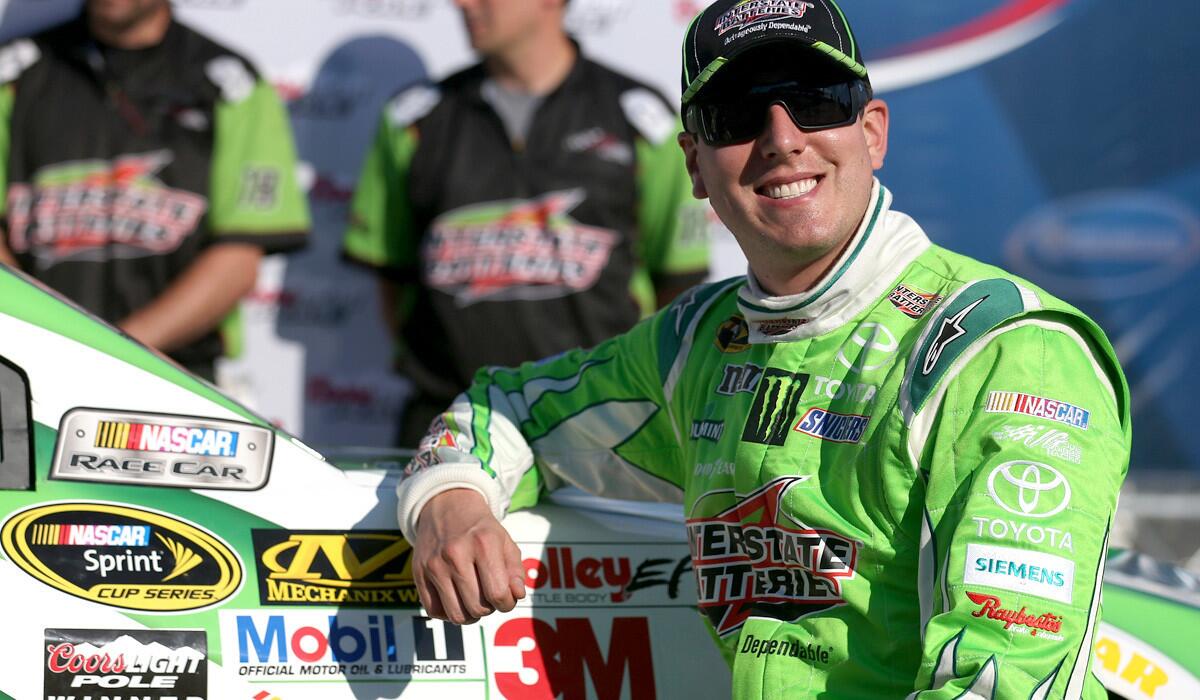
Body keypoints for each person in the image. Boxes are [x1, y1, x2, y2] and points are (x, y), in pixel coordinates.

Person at [395, 0, 1130, 697]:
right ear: (693, 164)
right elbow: (507, 407)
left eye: (815, 100)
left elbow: (1007, 682)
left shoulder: (1004, 350)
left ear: (871, 130)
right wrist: (447, 499)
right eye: (738, 115)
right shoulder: (695, 344)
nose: (782, 139)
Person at [342, 0, 710, 446]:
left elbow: (675, 280)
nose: (462, 4)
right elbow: (394, 275)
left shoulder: (639, 118)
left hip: (602, 425)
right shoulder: (415, 119)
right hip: (446, 423)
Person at [0, 0, 309, 381]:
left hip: (174, 377)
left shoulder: (231, 83)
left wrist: (109, 354)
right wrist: (48, 343)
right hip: (29, 371)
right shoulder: (14, 73)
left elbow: (238, 259)